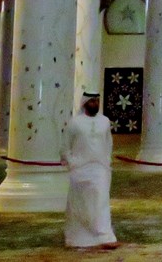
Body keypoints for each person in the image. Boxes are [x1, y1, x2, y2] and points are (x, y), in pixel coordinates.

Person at [62, 92, 119, 250]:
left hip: (100, 167)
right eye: (92, 101)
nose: (95, 104)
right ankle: (78, 238)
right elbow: (65, 146)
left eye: (97, 101)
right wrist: (72, 162)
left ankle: (105, 236)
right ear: (85, 103)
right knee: (81, 204)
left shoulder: (104, 121)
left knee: (101, 200)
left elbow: (108, 143)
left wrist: (106, 161)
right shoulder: (75, 123)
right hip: (80, 169)